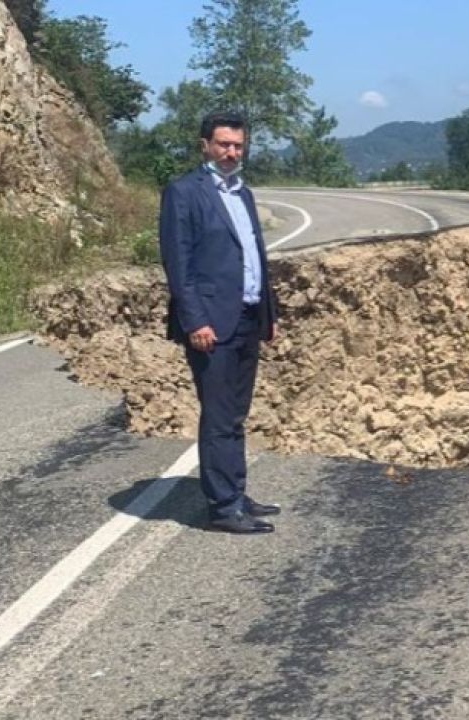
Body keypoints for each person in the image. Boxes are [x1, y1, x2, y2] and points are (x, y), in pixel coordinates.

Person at [159, 111, 282, 534]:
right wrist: (195, 321)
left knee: (236, 415)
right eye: (224, 144)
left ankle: (237, 493)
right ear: (205, 146)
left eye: (238, 145)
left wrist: (268, 313)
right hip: (211, 325)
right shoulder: (183, 193)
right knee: (218, 415)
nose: (231, 152)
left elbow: (255, 257)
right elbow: (179, 264)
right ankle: (223, 508)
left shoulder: (242, 193)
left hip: (247, 317)